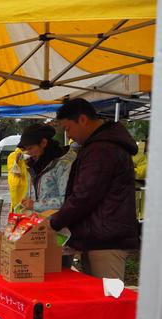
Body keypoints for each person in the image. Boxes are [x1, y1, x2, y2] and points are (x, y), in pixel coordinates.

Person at [49, 98, 140, 280]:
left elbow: (84, 196)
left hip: (106, 239)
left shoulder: (102, 150)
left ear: (82, 119)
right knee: (98, 300)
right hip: (99, 237)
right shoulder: (99, 146)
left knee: (109, 301)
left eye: (68, 128)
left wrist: (53, 223)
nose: (70, 136)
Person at [17, 123, 77, 212]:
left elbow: (68, 200)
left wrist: (35, 205)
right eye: (26, 149)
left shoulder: (63, 164)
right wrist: (27, 200)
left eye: (30, 148)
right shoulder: (35, 165)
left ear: (44, 143)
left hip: (58, 223)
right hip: (39, 221)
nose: (28, 153)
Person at [6, 148, 28, 212]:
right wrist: (17, 159)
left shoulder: (28, 156)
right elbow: (14, 171)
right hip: (16, 184)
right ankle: (15, 217)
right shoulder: (11, 156)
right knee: (16, 203)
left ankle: (20, 217)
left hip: (25, 183)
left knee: (24, 203)